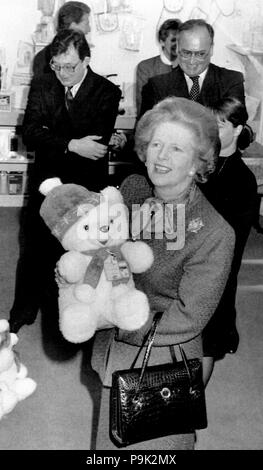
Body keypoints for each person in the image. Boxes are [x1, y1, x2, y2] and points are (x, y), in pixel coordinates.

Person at [90, 97, 235, 450]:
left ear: (197, 163)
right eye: (156, 143)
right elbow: (105, 252)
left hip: (161, 365)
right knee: (108, 448)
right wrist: (81, 279)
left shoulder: (215, 232)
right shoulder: (133, 190)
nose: (161, 156)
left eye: (176, 148)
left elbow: (188, 317)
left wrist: (111, 316)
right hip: (115, 352)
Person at [8, 29, 121, 334]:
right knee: (33, 248)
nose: (62, 74)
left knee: (78, 251)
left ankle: (75, 312)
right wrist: (71, 144)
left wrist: (53, 137)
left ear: (86, 60)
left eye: (69, 67)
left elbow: (95, 144)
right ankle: (24, 309)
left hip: (85, 185)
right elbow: (30, 132)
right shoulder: (44, 84)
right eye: (57, 66)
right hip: (46, 181)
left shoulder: (108, 92)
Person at [200, 98, 258, 385]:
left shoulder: (242, 179)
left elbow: (230, 237)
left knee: (207, 341)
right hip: (189, 263)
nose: (209, 129)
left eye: (218, 124)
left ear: (237, 130)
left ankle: (190, 408)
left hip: (217, 272)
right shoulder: (200, 166)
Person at [140, 19, 246, 117]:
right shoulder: (157, 86)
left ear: (211, 49)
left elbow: (237, 128)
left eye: (200, 54)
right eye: (186, 53)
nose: (192, 61)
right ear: (177, 48)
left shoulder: (231, 81)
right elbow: (144, 132)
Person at [135, 18, 182, 116]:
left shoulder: (188, 67)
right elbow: (143, 108)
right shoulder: (146, 67)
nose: (177, 45)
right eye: (173, 40)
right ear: (162, 42)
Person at [33, 1, 91, 77]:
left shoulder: (41, 56)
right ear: (73, 27)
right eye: (86, 24)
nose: (88, 29)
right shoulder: (43, 60)